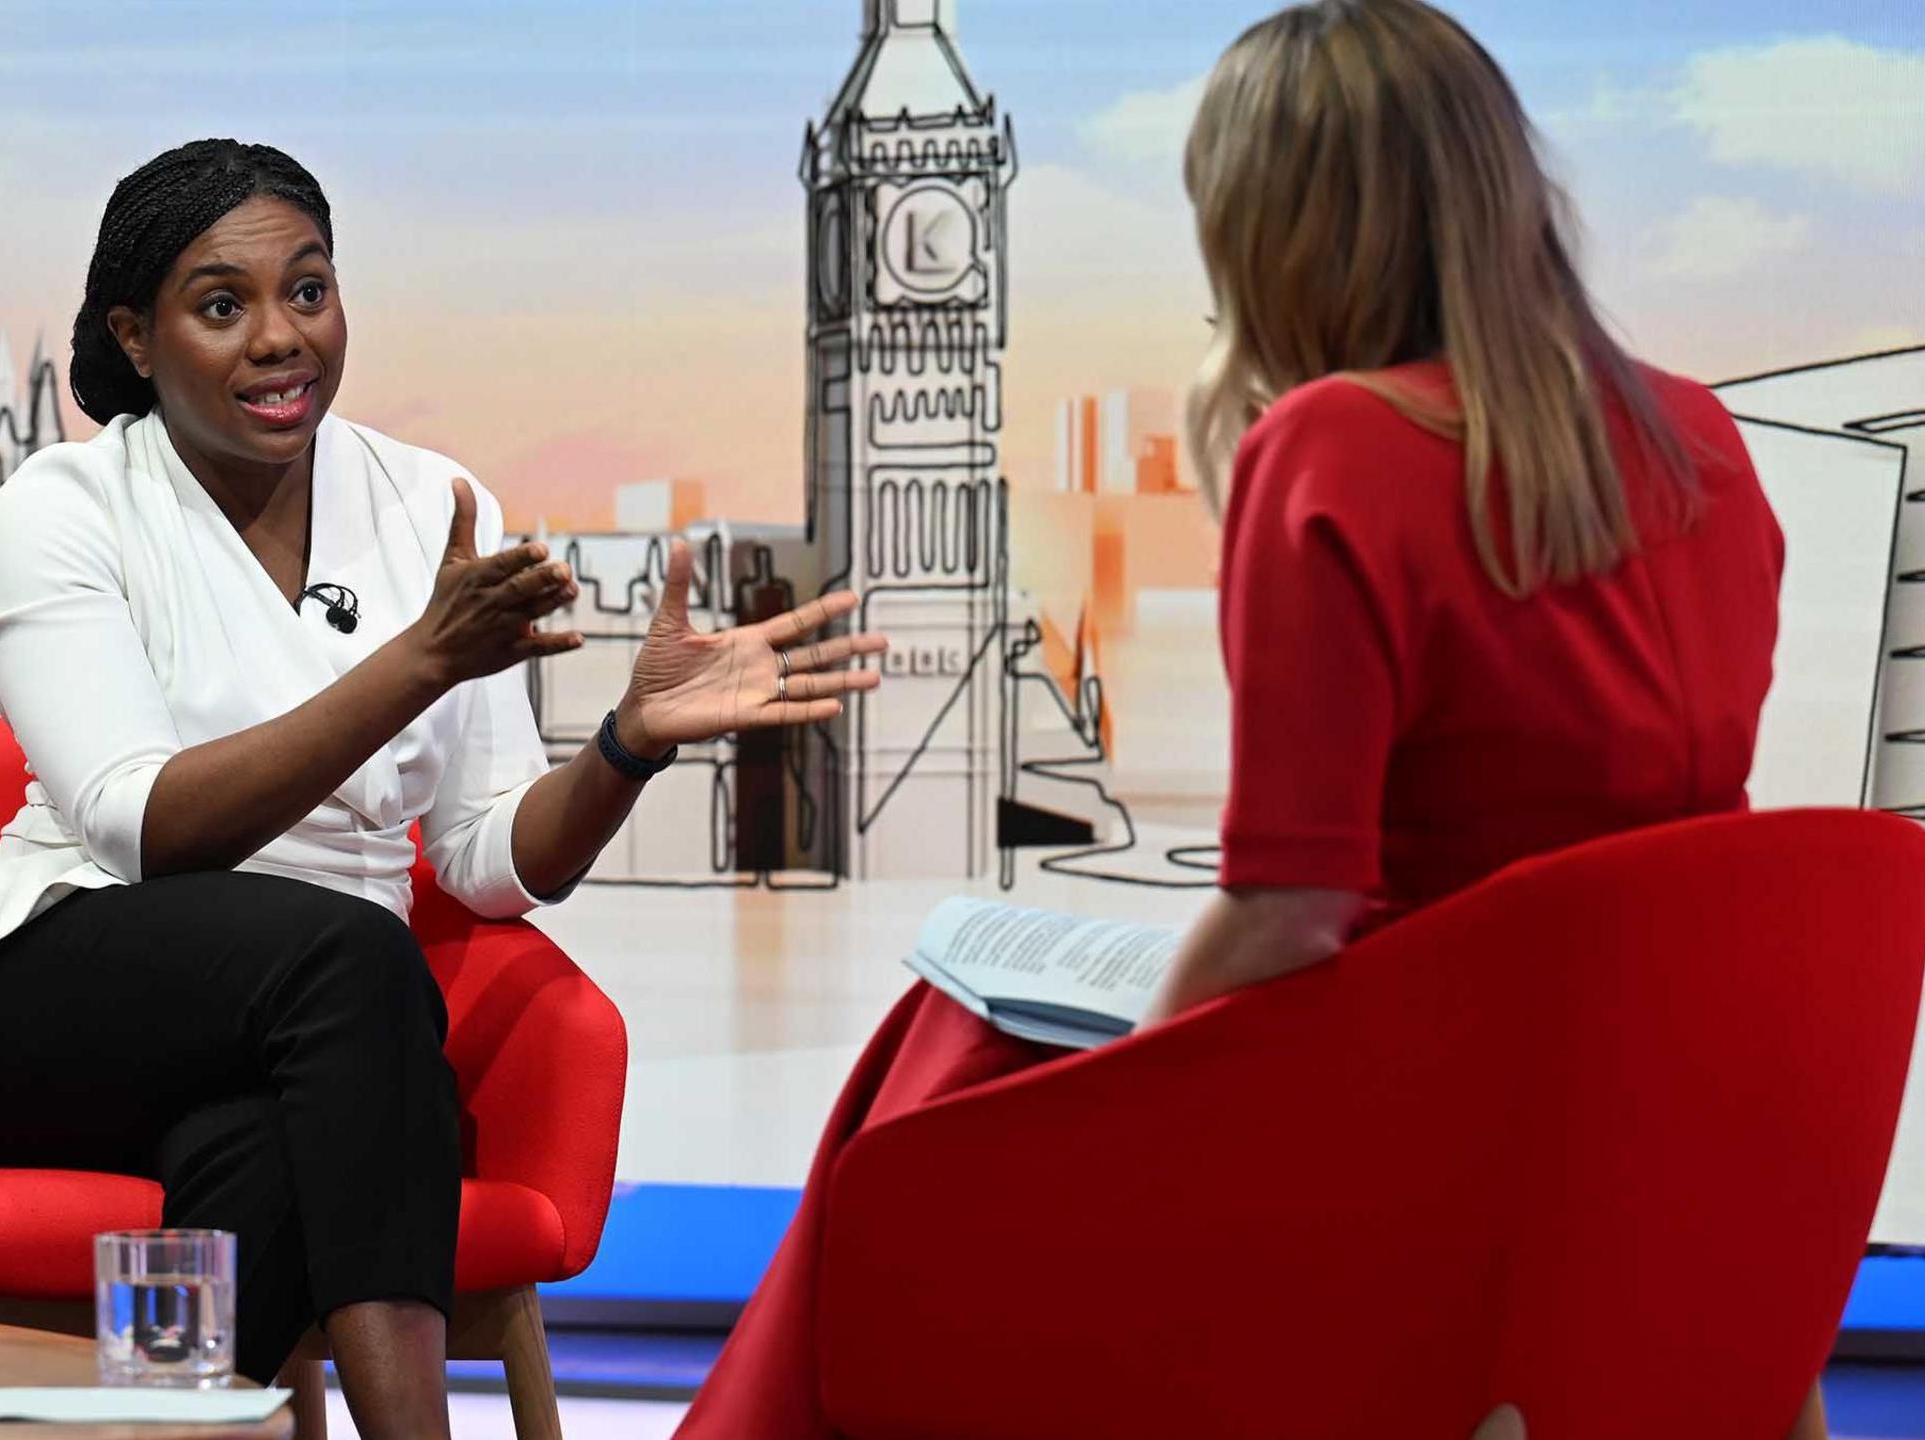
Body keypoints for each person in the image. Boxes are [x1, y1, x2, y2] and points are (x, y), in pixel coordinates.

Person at [676, 1, 1819, 1435]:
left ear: (1280, 229)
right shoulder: (1697, 433)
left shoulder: (1336, 448)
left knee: (937, 1048)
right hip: (1641, 1124)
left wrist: (1140, 1083)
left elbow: (1289, 911)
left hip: (1409, 1135)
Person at [0, 139, 885, 1440]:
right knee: (362, 968)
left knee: (282, 1150)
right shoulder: (68, 502)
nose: (280, 338)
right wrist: (421, 657)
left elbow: (488, 856)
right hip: (55, 996)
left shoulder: (433, 501)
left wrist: (628, 743)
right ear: (135, 338)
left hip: (312, 1039)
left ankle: (157, 1425)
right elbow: (141, 826)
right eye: (223, 306)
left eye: (308, 292)